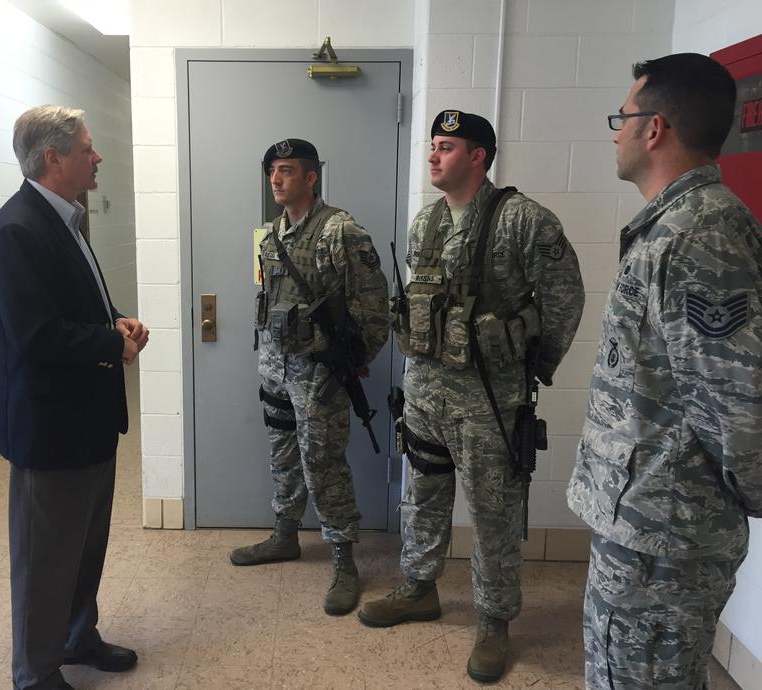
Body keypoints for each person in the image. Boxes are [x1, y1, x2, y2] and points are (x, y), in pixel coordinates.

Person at [358, 110, 585, 683]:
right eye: (432, 145)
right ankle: (419, 587)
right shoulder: (425, 223)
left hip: (488, 400)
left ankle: (494, 622)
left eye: (448, 146)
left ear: (479, 155)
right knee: (423, 498)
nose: (433, 156)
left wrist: (535, 364)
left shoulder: (523, 220)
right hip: (427, 392)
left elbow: (565, 298)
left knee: (493, 516)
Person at [567, 53, 762, 690]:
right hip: (645, 527)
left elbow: (740, 406)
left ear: (655, 129)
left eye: (621, 118)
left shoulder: (699, 233)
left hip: (665, 543)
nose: (616, 132)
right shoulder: (671, 227)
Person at [0, 105, 148, 690]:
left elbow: (73, 305)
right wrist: (110, 342)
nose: (96, 157)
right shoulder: (16, 230)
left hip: (88, 420)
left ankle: (77, 635)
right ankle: (35, 671)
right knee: (45, 558)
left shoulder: (65, 219)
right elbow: (35, 336)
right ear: (53, 158)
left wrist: (115, 322)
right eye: (86, 148)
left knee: (83, 546)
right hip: (49, 428)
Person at [229, 138, 390, 616]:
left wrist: (348, 363)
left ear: (311, 177)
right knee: (282, 455)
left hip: (319, 374)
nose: (276, 179)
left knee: (324, 464)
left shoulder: (341, 233)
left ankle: (344, 559)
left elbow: (376, 312)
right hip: (276, 369)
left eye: (286, 171)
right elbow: (265, 297)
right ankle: (285, 536)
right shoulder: (270, 234)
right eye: (272, 171)